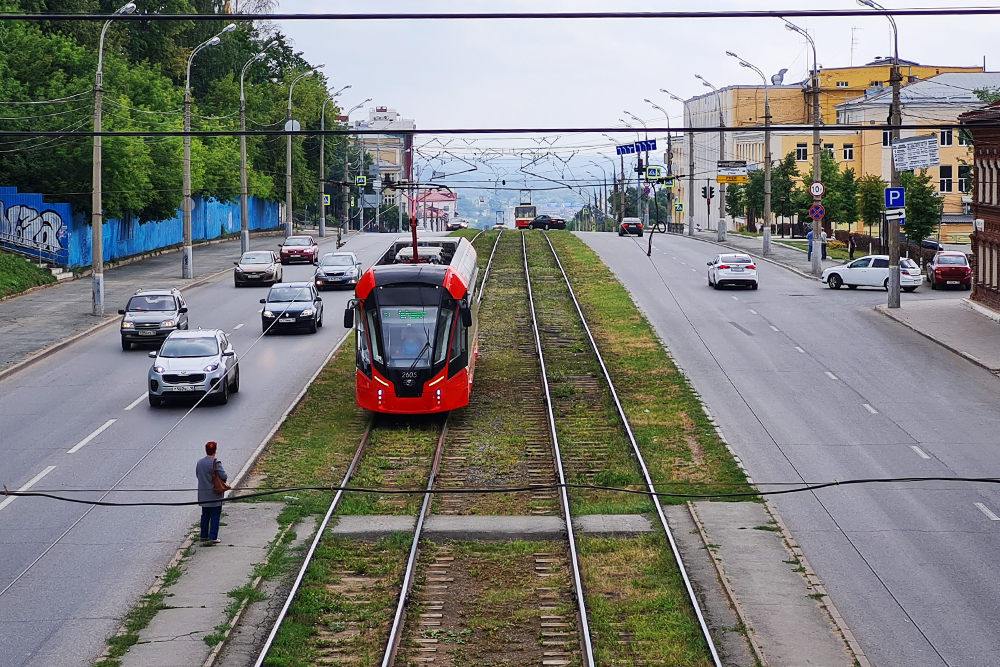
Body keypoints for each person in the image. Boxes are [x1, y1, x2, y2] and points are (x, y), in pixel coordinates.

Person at [196, 441, 227, 545]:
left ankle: (203, 535)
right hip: (214, 493)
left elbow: (198, 475)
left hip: (203, 494)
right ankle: (213, 537)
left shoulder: (200, 462)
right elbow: (224, 476)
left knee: (205, 514)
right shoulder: (216, 463)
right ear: (215, 450)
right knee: (215, 515)